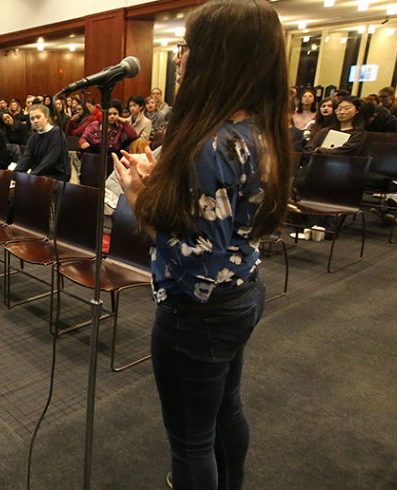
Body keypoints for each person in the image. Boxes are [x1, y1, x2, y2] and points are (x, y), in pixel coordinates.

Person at [113, 1, 291, 487]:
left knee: (191, 440)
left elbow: (196, 269)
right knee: (224, 410)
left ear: (218, 56)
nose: (177, 58)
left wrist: (137, 200)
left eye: (186, 47)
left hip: (200, 314)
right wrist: (166, 195)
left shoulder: (212, 143)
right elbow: (221, 229)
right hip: (243, 291)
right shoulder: (256, 127)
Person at [14, 105, 70, 181]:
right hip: (39, 174)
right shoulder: (33, 137)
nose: (35, 121)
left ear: (46, 117)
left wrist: (31, 176)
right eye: (32, 119)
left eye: (38, 117)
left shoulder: (57, 133)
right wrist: (15, 173)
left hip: (57, 175)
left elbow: (50, 160)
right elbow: (26, 157)